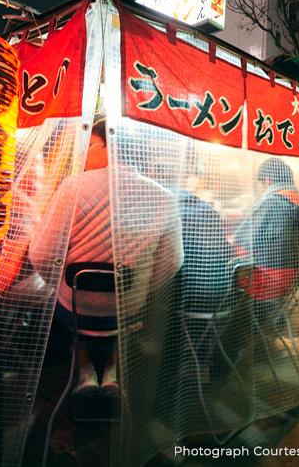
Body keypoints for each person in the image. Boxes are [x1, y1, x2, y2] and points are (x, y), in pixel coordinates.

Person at [30, 119, 183, 394]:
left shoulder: (72, 187)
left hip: (75, 309)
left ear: (107, 145)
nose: (83, 154)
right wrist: (142, 289)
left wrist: (58, 287)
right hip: (128, 310)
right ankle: (111, 373)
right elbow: (173, 261)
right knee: (118, 310)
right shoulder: (164, 197)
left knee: (71, 314)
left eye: (88, 146)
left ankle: (85, 372)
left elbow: (42, 255)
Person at [233, 158, 299, 334]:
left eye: (261, 184)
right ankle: (268, 324)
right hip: (291, 280)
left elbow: (242, 241)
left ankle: (244, 337)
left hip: (265, 280)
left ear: (267, 181)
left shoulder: (272, 203)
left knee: (224, 273)